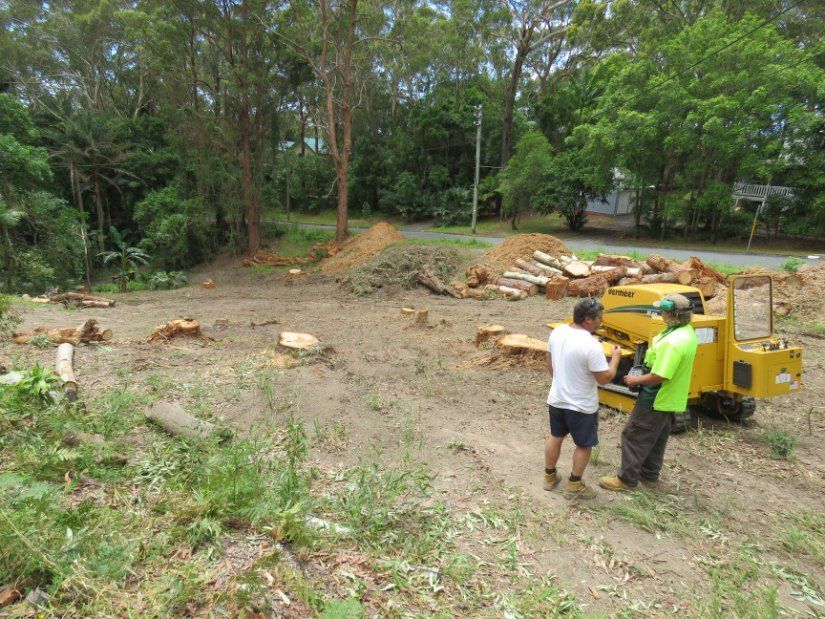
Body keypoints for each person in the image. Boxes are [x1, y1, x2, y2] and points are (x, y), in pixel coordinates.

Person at [599, 293, 698, 492]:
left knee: (634, 435)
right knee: (657, 438)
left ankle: (626, 480)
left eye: (663, 310)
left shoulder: (674, 342)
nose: (660, 313)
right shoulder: (686, 332)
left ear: (672, 314)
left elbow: (661, 374)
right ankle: (649, 476)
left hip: (656, 396)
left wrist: (636, 379)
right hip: (671, 398)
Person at [544, 298, 621, 500]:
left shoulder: (558, 332)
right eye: (599, 318)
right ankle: (574, 485)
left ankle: (549, 477)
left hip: (557, 399)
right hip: (581, 406)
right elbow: (604, 379)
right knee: (584, 445)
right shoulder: (591, 345)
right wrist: (615, 360)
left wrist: (560, 380)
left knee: (556, 435)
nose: (601, 322)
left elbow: (549, 363)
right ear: (588, 319)